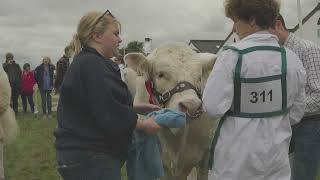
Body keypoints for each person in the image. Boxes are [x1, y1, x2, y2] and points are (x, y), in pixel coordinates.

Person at [202, 0, 307, 179]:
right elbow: (297, 112)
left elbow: (212, 107)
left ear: (251, 19)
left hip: (235, 164)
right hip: (276, 163)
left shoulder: (231, 56)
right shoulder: (292, 59)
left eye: (235, 20)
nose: (234, 28)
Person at [54, 11, 161, 180]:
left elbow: (97, 104)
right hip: (90, 157)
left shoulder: (91, 62)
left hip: (88, 155)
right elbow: (108, 112)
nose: (120, 40)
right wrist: (143, 125)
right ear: (97, 36)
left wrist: (136, 108)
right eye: (115, 33)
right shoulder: (91, 64)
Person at [270, 14, 320, 180]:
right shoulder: (276, 53)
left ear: (278, 25)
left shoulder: (308, 49)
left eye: (265, 31)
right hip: (287, 124)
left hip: (309, 125)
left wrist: (285, 109)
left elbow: (318, 96)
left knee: (303, 174)